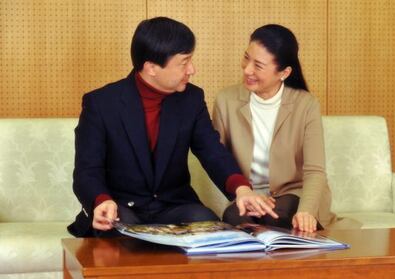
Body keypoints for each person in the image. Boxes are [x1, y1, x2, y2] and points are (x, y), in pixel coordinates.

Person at [68, 17, 276, 238]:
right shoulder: (101, 103)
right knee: (121, 232)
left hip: (173, 206)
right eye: (184, 62)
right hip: (120, 206)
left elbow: (212, 151)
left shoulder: (191, 99)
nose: (192, 70)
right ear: (151, 68)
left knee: (210, 228)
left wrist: (241, 189)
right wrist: (101, 200)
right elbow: (87, 170)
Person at [212, 24, 336, 233]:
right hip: (249, 196)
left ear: (284, 72)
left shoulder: (306, 104)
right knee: (233, 217)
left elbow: (315, 170)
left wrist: (306, 211)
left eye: (258, 65)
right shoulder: (226, 100)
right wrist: (243, 193)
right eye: (246, 58)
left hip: (294, 194)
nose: (247, 69)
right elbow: (217, 159)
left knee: (281, 214)